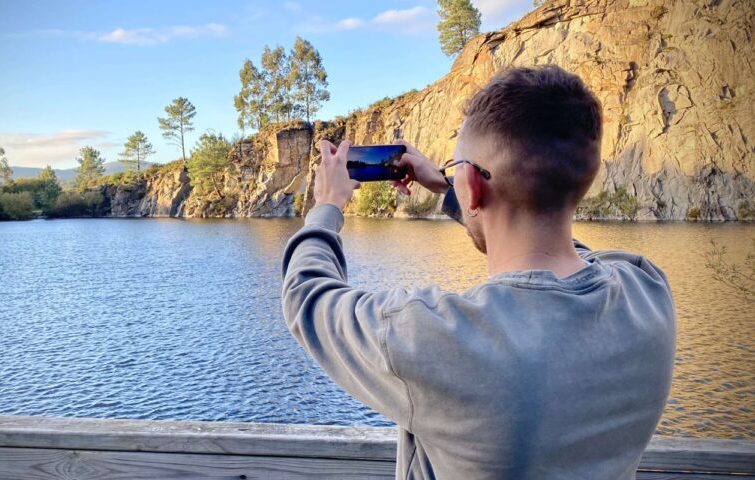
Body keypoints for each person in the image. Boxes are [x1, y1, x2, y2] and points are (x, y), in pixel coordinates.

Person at [281, 65, 675, 479]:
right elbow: (564, 252)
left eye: (458, 167)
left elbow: (307, 297)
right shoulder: (647, 292)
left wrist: (327, 205)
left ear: (470, 181)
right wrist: (452, 189)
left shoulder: (432, 337)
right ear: (584, 178)